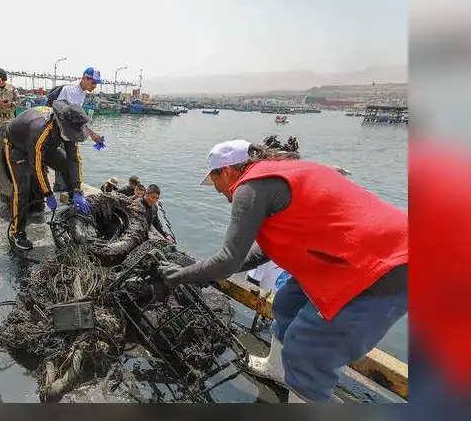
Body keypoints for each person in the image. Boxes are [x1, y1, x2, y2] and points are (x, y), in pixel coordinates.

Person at [158, 139, 408, 403]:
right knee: (288, 303)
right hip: (348, 255)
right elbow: (259, 253)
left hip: (382, 268)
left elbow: (229, 260)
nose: (218, 191)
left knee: (306, 352)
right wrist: (203, 268)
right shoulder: (280, 172)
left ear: (228, 171)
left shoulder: (249, 187)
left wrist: (182, 274)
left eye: (214, 180)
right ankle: (278, 369)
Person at [3, 100, 92, 251]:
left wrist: (77, 189)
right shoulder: (39, 130)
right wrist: (48, 193)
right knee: (22, 189)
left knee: (66, 165)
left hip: (46, 144)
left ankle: (74, 205)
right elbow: (37, 167)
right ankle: (16, 232)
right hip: (18, 147)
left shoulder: (70, 128)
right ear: (61, 125)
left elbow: (74, 160)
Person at [51, 67, 104, 145]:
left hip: (67, 130)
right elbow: (73, 117)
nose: (95, 86)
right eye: (93, 82)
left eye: (96, 83)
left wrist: (91, 133)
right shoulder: (72, 91)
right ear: (85, 79)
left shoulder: (82, 91)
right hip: (59, 131)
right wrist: (91, 133)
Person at [0, 68, 19, 175]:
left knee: (11, 142)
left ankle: (10, 163)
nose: (1, 81)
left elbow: (19, 102)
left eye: (2, 80)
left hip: (10, 119)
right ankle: (0, 166)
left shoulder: (12, 88)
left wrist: (11, 104)